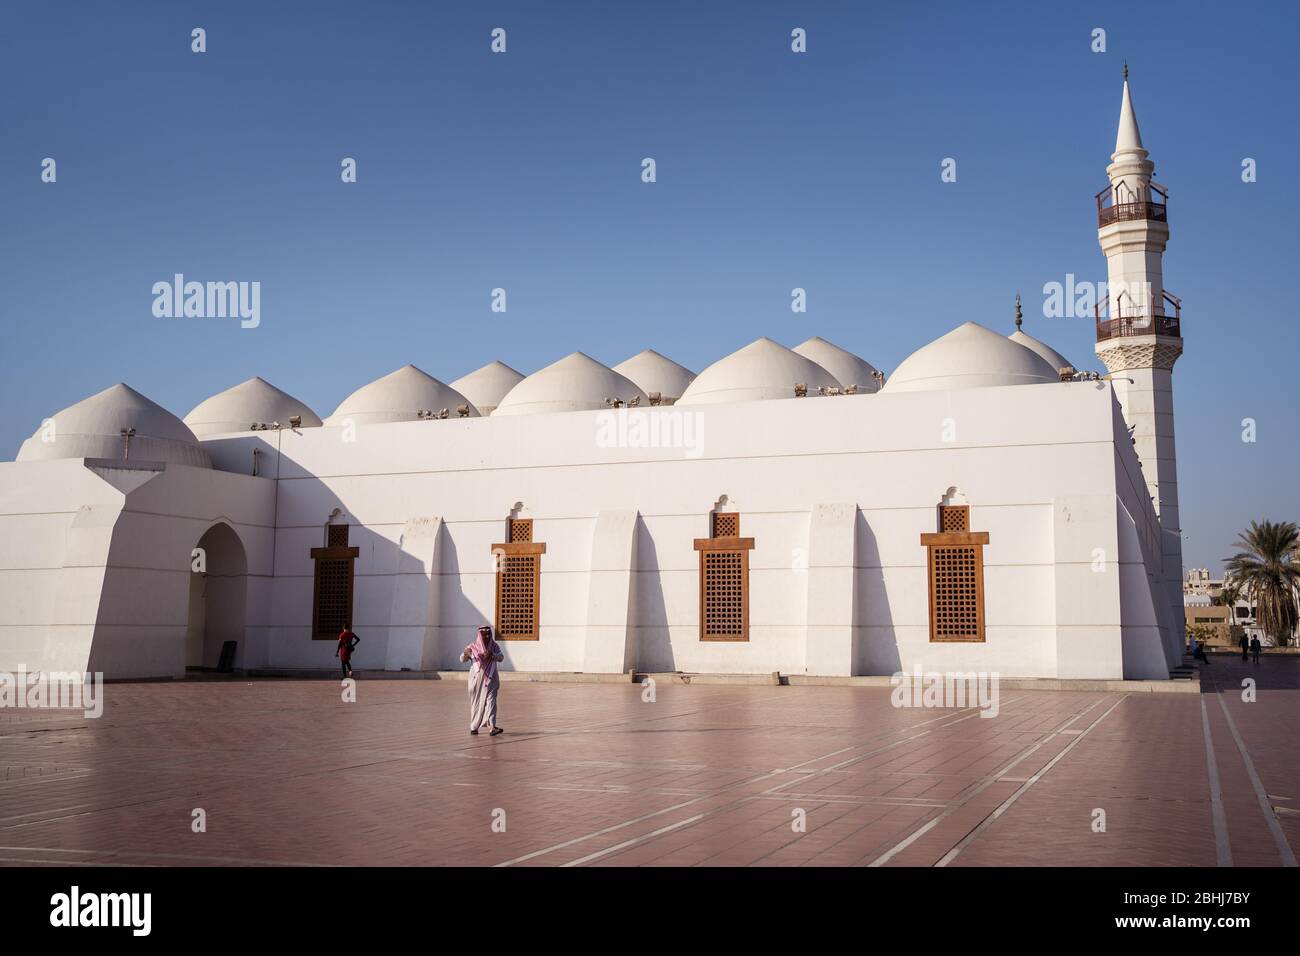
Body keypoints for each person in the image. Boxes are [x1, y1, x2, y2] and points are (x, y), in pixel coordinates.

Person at [461, 625, 504, 736]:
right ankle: (474, 727)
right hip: (476, 680)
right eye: (484, 634)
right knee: (476, 703)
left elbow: (501, 657)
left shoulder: (494, 646)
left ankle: (492, 726)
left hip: (491, 677)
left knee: (491, 701)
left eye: (489, 634)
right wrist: (466, 654)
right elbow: (462, 659)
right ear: (480, 635)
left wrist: (493, 655)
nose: (487, 636)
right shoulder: (473, 646)